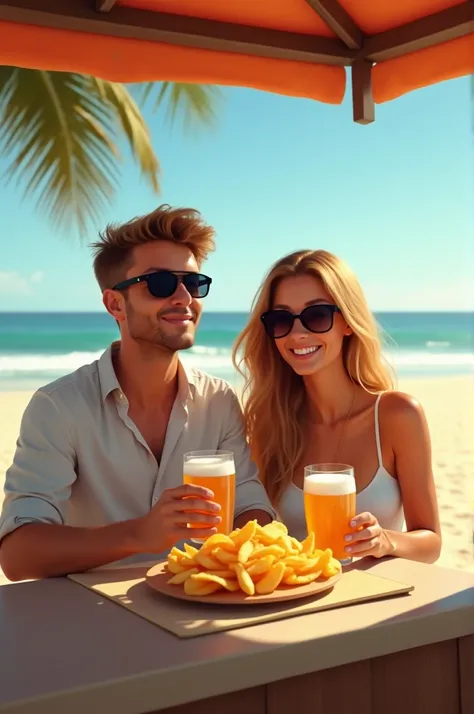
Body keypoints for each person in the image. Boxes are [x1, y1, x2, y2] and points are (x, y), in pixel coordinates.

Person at [0, 205, 275, 581]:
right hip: (95, 620)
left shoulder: (219, 399)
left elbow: (250, 505)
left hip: (201, 607)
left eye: (193, 284)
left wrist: (252, 545)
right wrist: (139, 534)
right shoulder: (59, 407)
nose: (183, 297)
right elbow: (19, 554)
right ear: (115, 303)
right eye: (160, 284)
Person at [233, 249, 441, 563]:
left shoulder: (397, 414)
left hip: (375, 603)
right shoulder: (271, 423)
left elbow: (431, 544)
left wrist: (385, 540)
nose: (297, 333)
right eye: (281, 319)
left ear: (347, 322)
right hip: (296, 605)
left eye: (317, 315)